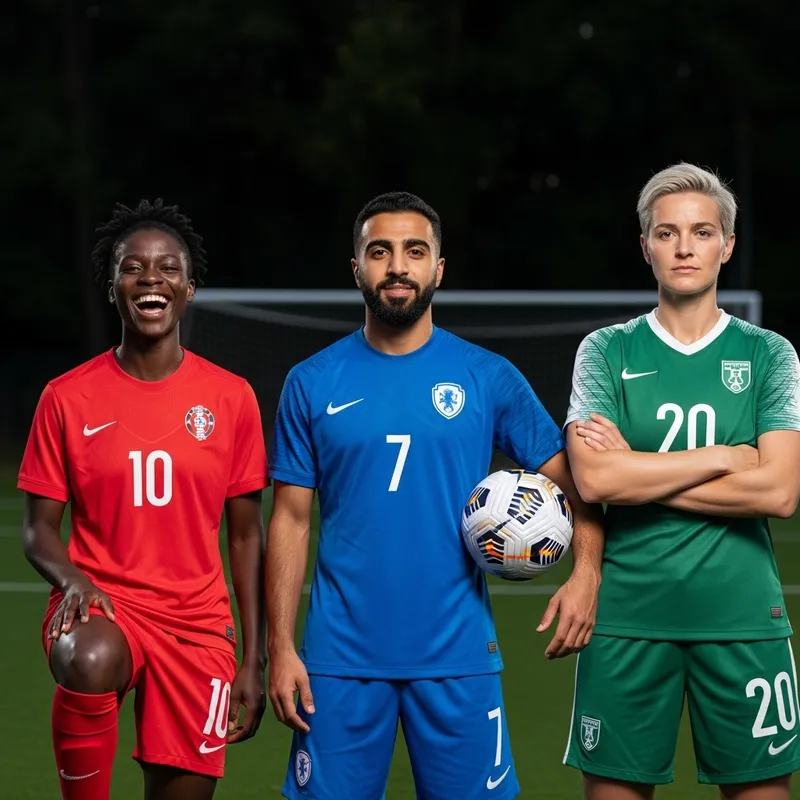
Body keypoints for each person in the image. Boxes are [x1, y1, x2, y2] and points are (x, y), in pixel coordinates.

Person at [266, 190, 605, 799]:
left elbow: (581, 485)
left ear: (438, 269)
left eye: (414, 251)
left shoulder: (487, 376)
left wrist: (586, 574)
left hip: (458, 655)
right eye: (380, 252)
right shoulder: (311, 382)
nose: (397, 266)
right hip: (338, 660)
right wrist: (280, 646)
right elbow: (290, 520)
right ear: (356, 268)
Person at [562, 163, 800, 800]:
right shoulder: (605, 350)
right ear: (646, 247)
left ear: (727, 245)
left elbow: (779, 492)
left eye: (702, 232)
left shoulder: (770, 353)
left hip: (743, 619)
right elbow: (593, 479)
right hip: (626, 620)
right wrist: (724, 457)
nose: (685, 247)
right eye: (667, 233)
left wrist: (634, 473)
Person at [17, 199, 269, 800]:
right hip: (104, 604)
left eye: (168, 268)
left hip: (197, 625)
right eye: (132, 268)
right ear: (113, 288)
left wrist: (253, 658)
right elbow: (38, 530)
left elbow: (245, 535)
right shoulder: (66, 397)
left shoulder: (232, 398)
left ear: (189, 289)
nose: (150, 278)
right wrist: (73, 581)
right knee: (88, 657)